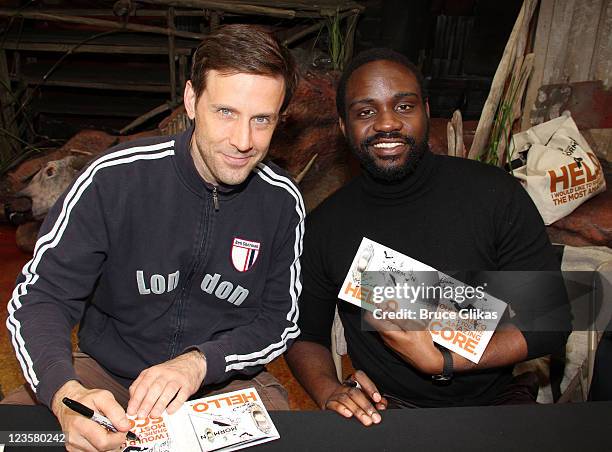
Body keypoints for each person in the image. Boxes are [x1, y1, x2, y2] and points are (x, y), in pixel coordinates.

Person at [3, 24, 303, 451]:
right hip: (104, 377)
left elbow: (279, 320)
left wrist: (199, 363)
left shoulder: (281, 202)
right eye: (226, 112)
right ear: (191, 100)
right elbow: (42, 296)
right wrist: (65, 394)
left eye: (262, 120)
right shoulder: (114, 179)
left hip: (221, 381)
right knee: (17, 437)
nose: (243, 141)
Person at [285, 48, 571, 426]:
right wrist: (329, 390)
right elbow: (304, 332)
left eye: (403, 106)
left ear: (426, 110)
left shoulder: (495, 194)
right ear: (343, 126)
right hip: (389, 412)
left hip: (498, 404)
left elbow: (551, 322)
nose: (387, 123)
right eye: (366, 112)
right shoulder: (325, 226)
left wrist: (443, 361)